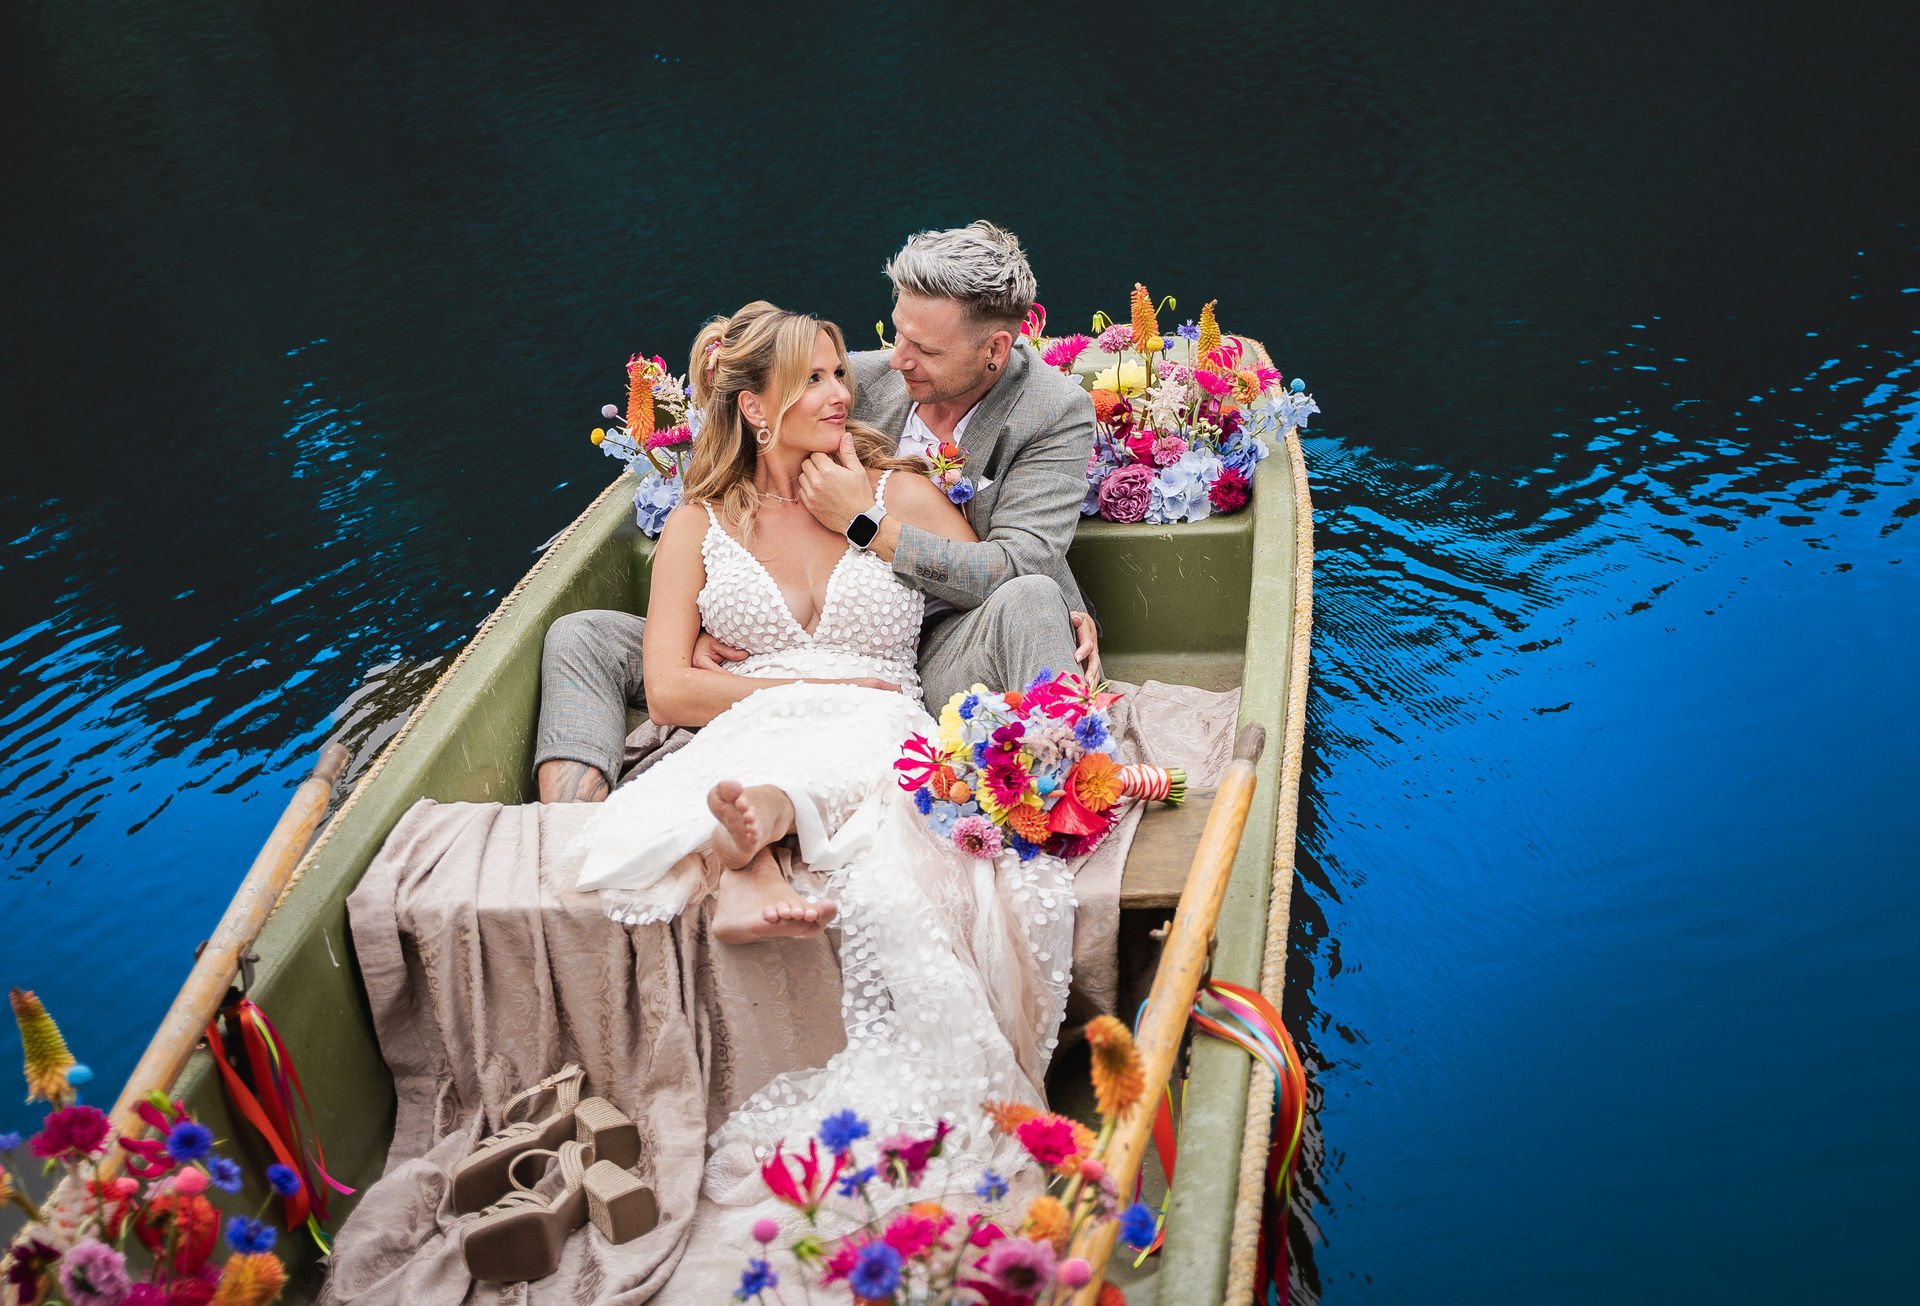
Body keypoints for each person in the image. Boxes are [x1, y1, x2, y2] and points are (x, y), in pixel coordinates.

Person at [568, 302, 1076, 1201]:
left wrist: (1064, 610)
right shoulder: (696, 524)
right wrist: (806, 686)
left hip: (883, 706)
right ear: (754, 408)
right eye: (814, 379)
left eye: (842, 372)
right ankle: (759, 830)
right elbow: (671, 689)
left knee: (873, 755)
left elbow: (989, 587)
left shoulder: (899, 492)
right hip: (759, 713)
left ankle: (760, 828)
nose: (843, 391)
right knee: (764, 745)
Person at [536, 221, 1097, 803]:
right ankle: (566, 822)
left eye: (925, 350)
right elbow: (755, 397)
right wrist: (707, 622)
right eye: (898, 334)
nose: (895, 361)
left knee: (1033, 600)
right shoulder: (860, 379)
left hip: (931, 642)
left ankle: (1069, 792)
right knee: (584, 636)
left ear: (994, 350)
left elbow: (1017, 568)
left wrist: (864, 522)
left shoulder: (1050, 412)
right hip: (764, 646)